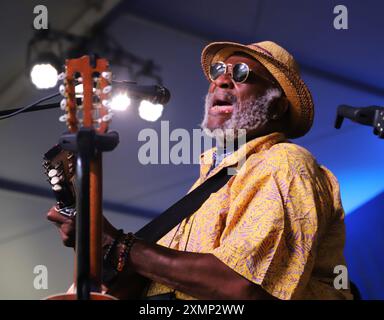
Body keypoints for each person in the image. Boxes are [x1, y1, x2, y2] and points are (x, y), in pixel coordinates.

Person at [47, 41, 353, 300]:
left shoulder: (284, 162)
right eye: (219, 71)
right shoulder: (208, 183)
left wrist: (114, 242)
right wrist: (96, 243)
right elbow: (156, 285)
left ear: (277, 107)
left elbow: (242, 284)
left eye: (243, 74)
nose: (222, 80)